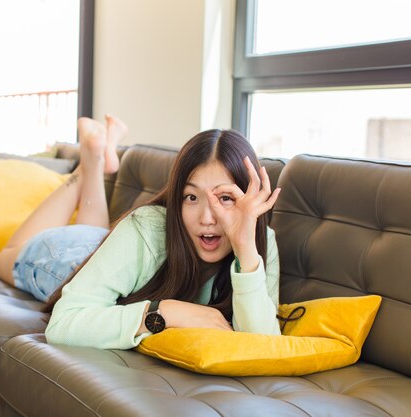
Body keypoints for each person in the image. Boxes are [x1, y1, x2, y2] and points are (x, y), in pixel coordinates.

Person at [44, 128, 282, 350]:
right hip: (58, 258)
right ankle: (90, 161)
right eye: (191, 197)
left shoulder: (259, 241)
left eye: (226, 198)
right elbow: (63, 323)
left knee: (93, 227)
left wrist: (245, 249)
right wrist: (166, 313)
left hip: (108, 249)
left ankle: (96, 156)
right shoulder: (146, 228)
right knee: (11, 251)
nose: (207, 218)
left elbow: (263, 347)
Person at [0, 114, 127, 302]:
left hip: (93, 244)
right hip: (82, 256)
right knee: (6, 258)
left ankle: (94, 157)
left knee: (6, 256)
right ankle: (95, 155)